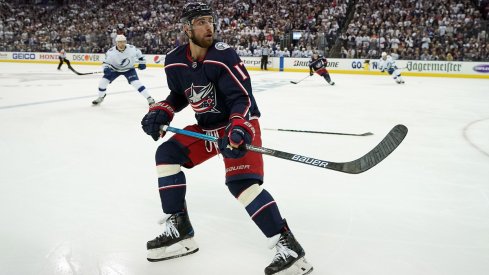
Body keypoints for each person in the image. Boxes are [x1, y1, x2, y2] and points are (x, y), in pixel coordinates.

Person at [140, 3, 313, 275]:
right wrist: (163, 110)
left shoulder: (224, 56)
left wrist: (237, 129)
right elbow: (179, 95)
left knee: (241, 184)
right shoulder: (174, 60)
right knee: (167, 155)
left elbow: (241, 98)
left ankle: (289, 247)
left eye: (210, 20)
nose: (209, 26)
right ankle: (180, 231)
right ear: (187, 28)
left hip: (239, 123)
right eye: (201, 22)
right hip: (207, 129)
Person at [92, 34, 155, 105]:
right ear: (116, 42)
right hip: (114, 69)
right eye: (119, 42)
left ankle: (149, 98)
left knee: (136, 83)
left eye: (123, 41)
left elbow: (140, 55)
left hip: (129, 69)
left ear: (125, 42)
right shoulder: (110, 52)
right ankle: (101, 97)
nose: (121, 43)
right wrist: (106, 68)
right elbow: (105, 63)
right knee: (102, 83)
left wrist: (142, 63)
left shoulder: (132, 48)